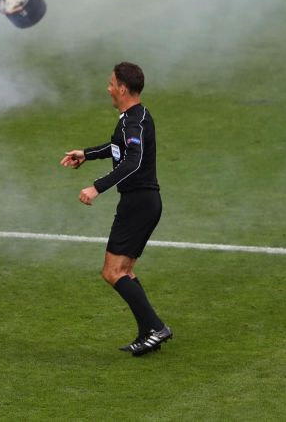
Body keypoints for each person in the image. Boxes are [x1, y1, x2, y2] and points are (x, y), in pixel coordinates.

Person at [59, 62, 172, 357]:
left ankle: (156, 327)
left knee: (112, 272)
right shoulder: (138, 117)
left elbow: (132, 160)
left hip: (138, 203)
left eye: (111, 84)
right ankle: (150, 331)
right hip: (144, 203)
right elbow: (118, 148)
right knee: (124, 271)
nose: (108, 89)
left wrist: (97, 187)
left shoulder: (132, 122)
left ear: (122, 88)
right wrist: (86, 154)